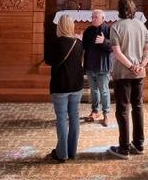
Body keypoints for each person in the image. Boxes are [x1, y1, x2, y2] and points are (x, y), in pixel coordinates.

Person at [108, 0, 148, 159]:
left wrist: (130, 66)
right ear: (134, 9)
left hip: (122, 74)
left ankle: (124, 148)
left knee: (123, 109)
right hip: (139, 73)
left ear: (119, 10)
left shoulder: (116, 27)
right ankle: (139, 144)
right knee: (138, 107)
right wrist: (141, 65)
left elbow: (117, 52)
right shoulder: (142, 26)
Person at [44, 14, 84, 162]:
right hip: (76, 84)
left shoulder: (55, 43)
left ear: (59, 26)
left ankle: (62, 153)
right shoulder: (78, 43)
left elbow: (48, 60)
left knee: (61, 118)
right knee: (74, 117)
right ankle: (72, 151)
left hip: (60, 84)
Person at [82, 9, 112, 126]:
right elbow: (84, 47)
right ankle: (95, 111)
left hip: (102, 66)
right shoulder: (88, 30)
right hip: (90, 66)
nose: (93, 19)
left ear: (103, 18)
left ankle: (106, 114)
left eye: (96, 17)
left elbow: (114, 47)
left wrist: (104, 41)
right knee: (93, 91)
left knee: (104, 91)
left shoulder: (108, 29)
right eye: (92, 17)